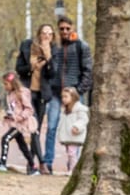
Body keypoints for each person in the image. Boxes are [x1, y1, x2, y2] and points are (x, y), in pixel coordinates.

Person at [40, 16, 93, 172]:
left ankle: (74, 163)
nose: (64, 31)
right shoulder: (54, 47)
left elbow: (88, 71)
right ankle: (48, 162)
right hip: (56, 93)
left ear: (72, 28)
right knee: (52, 126)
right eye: (61, 28)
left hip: (74, 93)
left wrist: (78, 90)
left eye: (67, 28)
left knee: (77, 127)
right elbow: (48, 70)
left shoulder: (81, 46)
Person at [15, 23, 58, 161]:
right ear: (39, 34)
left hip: (42, 93)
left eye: (50, 33)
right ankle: (40, 162)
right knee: (31, 126)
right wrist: (32, 67)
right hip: (28, 92)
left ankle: (32, 162)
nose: (47, 36)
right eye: (44, 33)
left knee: (36, 128)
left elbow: (53, 74)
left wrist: (48, 56)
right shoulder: (27, 46)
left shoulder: (54, 50)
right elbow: (19, 69)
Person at [0, 72, 40, 173]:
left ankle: (2, 162)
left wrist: (20, 117)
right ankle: (33, 167)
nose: (4, 86)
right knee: (23, 146)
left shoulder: (21, 93)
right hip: (15, 124)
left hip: (20, 125)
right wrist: (9, 117)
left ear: (13, 83)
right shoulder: (10, 95)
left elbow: (29, 109)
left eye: (6, 84)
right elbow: (14, 109)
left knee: (6, 138)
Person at [56, 85, 88, 173]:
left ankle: (73, 170)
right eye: (62, 97)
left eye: (66, 97)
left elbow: (83, 119)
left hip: (74, 135)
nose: (63, 99)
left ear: (73, 97)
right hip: (68, 136)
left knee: (72, 153)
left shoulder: (79, 109)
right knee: (70, 153)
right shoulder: (65, 110)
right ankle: (72, 168)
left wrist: (77, 126)